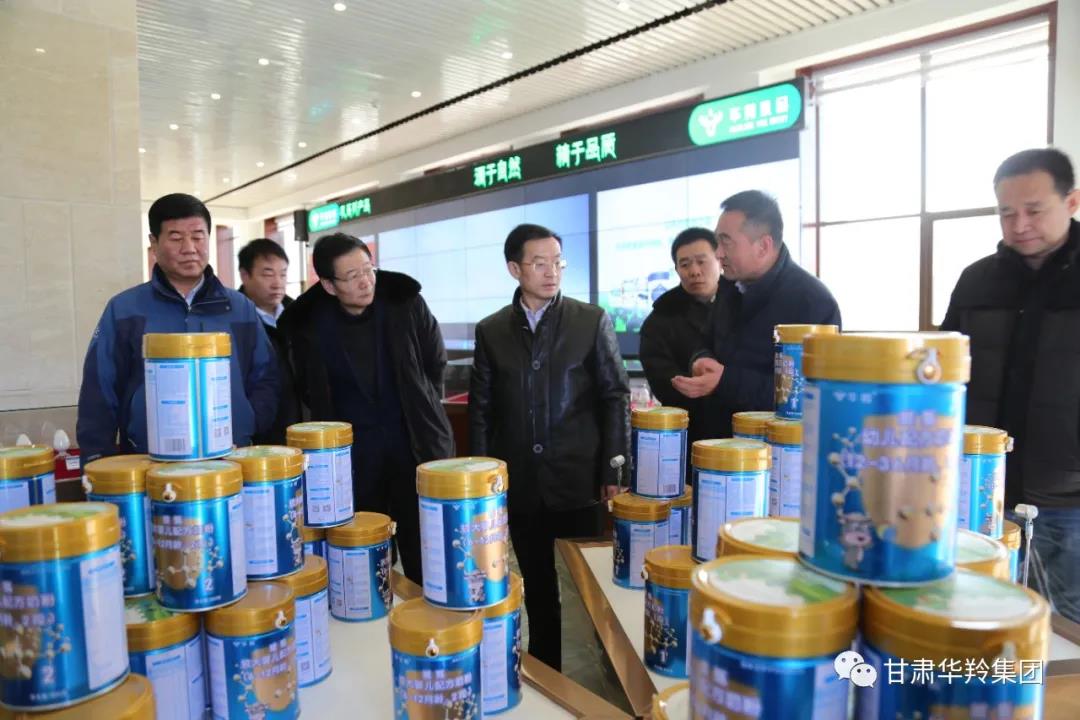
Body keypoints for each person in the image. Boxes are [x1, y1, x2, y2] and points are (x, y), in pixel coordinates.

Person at [469, 223, 630, 671]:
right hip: (522, 483)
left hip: (580, 479)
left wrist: (614, 470)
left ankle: (609, 676)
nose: (551, 272)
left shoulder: (589, 320)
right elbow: (482, 411)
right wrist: (483, 482)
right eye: (539, 263)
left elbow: (615, 396)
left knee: (590, 586)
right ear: (514, 269)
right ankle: (548, 674)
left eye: (557, 262)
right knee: (538, 588)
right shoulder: (492, 331)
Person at [940, 147, 1080, 623]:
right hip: (980, 491)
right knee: (979, 616)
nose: (1019, 225)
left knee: (1064, 631)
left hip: (1067, 501)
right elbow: (944, 374)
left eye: (1034, 210)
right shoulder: (977, 281)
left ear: (1071, 202)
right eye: (1006, 212)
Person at [278, 232, 453, 585]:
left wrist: (424, 405)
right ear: (329, 285)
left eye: (368, 270)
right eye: (352, 275)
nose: (365, 282)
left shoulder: (404, 302)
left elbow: (435, 362)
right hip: (354, 460)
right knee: (366, 552)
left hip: (414, 444)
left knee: (427, 549)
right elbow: (307, 390)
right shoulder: (309, 325)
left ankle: (426, 613)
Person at [77, 193, 279, 464]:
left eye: (198, 236)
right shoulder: (125, 309)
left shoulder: (239, 307)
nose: (189, 248)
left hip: (229, 458)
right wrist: (96, 460)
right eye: (175, 238)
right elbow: (99, 389)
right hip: (149, 461)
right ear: (154, 243)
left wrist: (248, 424)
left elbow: (266, 377)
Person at [672, 190, 841, 439]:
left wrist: (726, 381)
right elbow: (705, 340)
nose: (718, 253)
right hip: (721, 444)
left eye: (726, 242)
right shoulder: (729, 286)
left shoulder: (812, 302)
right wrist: (701, 358)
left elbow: (809, 395)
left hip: (774, 450)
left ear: (763, 246)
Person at [639, 227, 721, 445]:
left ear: (720, 260)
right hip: (690, 433)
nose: (694, 271)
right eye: (685, 265)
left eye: (701, 261)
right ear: (676, 269)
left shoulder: (745, 301)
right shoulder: (660, 319)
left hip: (747, 430)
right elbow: (663, 382)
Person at [238, 238, 296, 445]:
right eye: (268, 274)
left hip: (299, 430)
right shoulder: (235, 321)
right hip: (257, 438)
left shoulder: (300, 316)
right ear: (245, 275)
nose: (277, 283)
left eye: (283, 274)